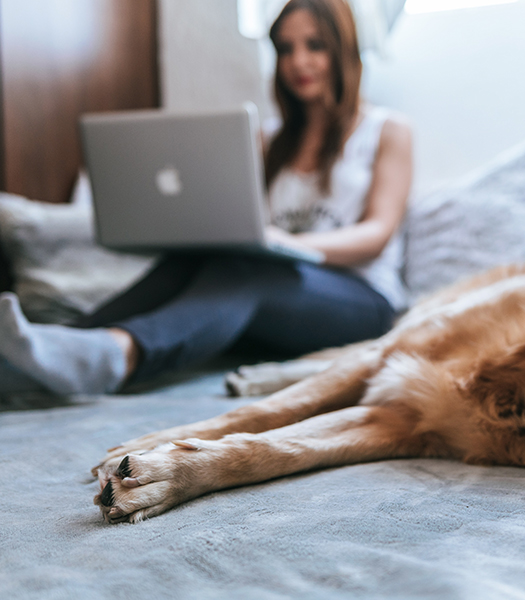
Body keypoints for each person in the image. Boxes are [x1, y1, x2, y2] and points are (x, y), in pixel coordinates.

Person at [0, 0, 412, 395]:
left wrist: (291, 245)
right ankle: (52, 346)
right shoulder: (267, 140)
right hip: (274, 288)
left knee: (248, 272)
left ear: (343, 49)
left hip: (360, 301)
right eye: (286, 49)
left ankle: (119, 355)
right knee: (205, 259)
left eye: (314, 46)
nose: (298, 62)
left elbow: (377, 233)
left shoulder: (387, 129)